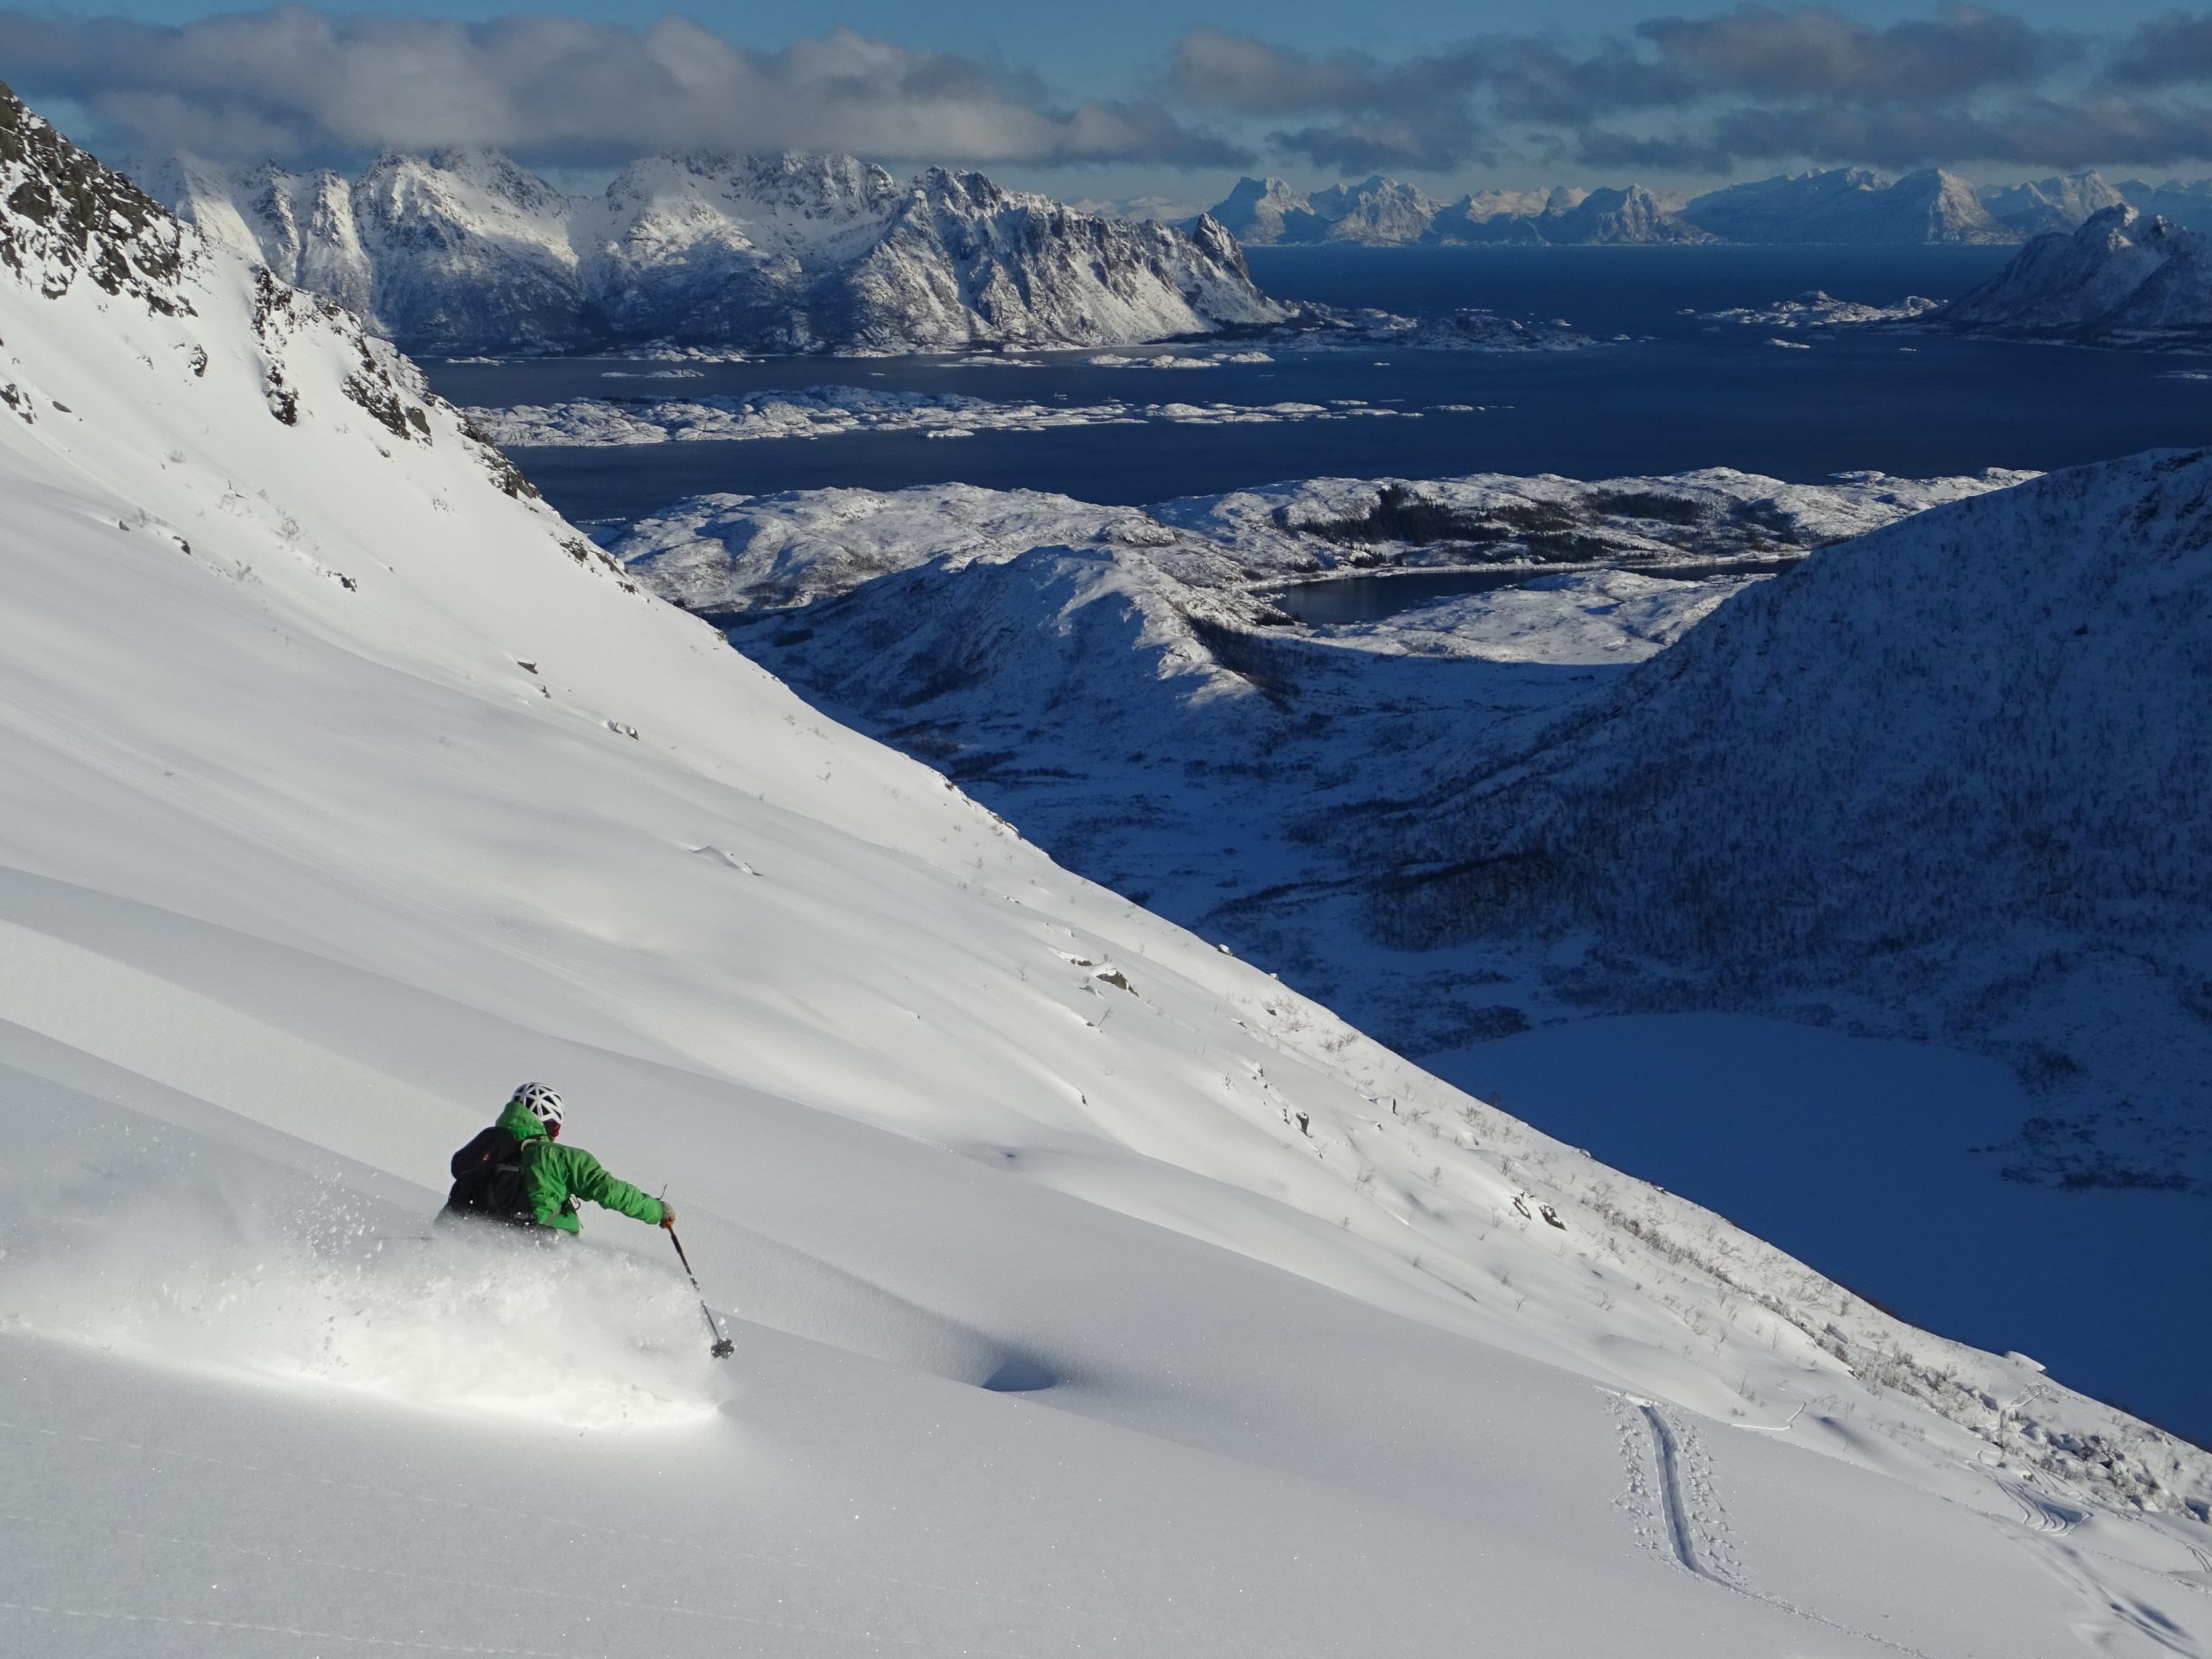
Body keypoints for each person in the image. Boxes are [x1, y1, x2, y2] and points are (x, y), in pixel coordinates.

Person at [442, 1083, 674, 1235]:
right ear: (547, 1122)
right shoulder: (559, 1156)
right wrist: (657, 1211)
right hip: (544, 1247)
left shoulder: (486, 1149)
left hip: (477, 1243)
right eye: (555, 1128)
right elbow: (610, 1191)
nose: (555, 1135)